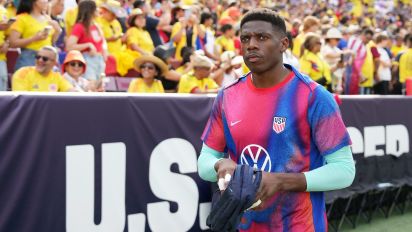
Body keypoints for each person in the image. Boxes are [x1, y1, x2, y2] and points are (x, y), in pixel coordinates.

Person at [198, 9, 354, 231]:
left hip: (300, 225)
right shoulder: (227, 96)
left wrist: (280, 181)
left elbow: (344, 170)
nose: (251, 44)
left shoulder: (313, 96)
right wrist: (220, 164)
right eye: (245, 39)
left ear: (283, 44)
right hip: (242, 225)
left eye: (262, 37)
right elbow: (205, 161)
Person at [9, 0, 62, 71]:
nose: (46, 2)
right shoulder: (21, 18)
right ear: (34, 2)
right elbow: (12, 43)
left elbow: (51, 41)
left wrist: (57, 31)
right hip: (29, 57)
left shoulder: (48, 18)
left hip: (48, 57)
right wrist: (34, 38)